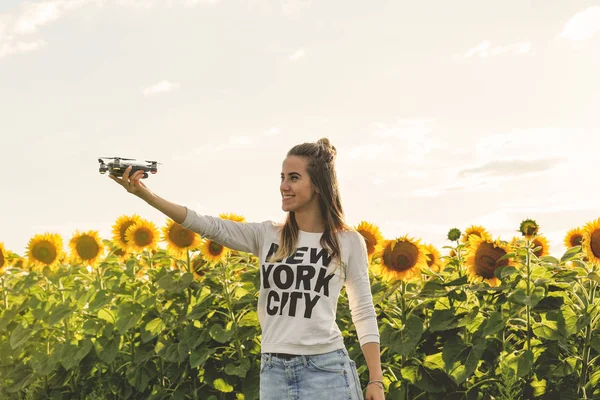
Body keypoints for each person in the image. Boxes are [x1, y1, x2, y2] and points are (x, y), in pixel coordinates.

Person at [109, 138, 385, 400]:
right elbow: (205, 224)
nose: (283, 186)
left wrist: (376, 379)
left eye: (294, 177)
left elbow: (363, 311)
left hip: (327, 370)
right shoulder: (267, 235)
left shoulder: (347, 242)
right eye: (282, 177)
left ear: (318, 186)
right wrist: (145, 195)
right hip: (274, 371)